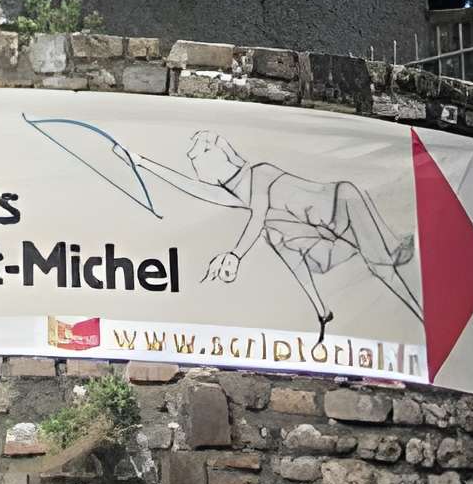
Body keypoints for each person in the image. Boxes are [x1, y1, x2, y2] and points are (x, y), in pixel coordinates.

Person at [140, 129, 419, 339]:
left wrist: (236, 254)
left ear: (216, 155)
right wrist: (142, 163)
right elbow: (195, 188)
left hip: (344, 203)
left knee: (383, 267)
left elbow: (257, 215)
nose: (195, 165)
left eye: (199, 156)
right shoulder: (241, 198)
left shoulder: (260, 176)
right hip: (329, 233)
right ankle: (391, 254)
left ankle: (420, 313)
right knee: (284, 240)